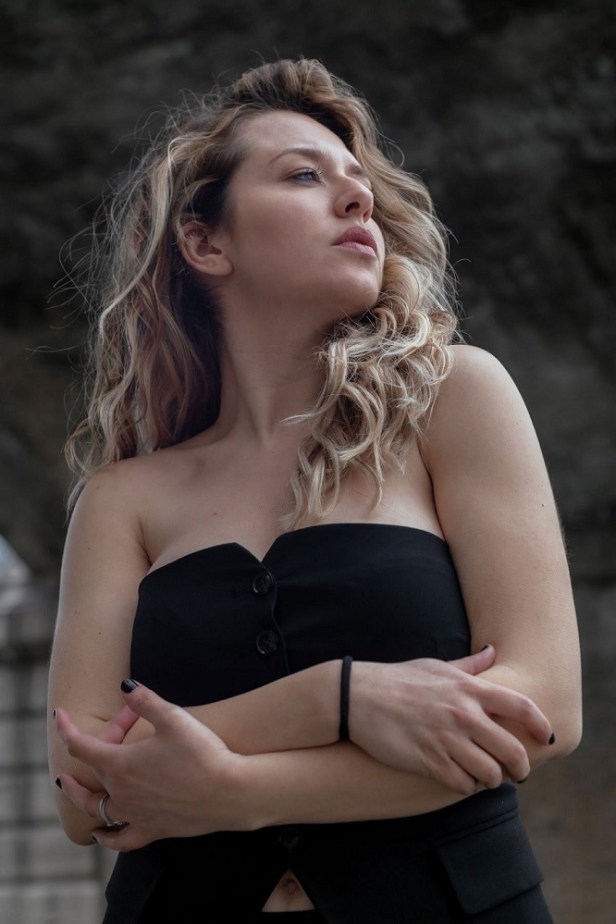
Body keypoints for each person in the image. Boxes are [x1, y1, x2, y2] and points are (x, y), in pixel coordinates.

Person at [47, 58, 582, 923]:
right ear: (205, 243)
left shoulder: (455, 399)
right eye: (303, 175)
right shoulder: (122, 499)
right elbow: (82, 787)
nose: (357, 197)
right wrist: (342, 697)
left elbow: (542, 710)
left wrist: (234, 793)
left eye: (358, 181)